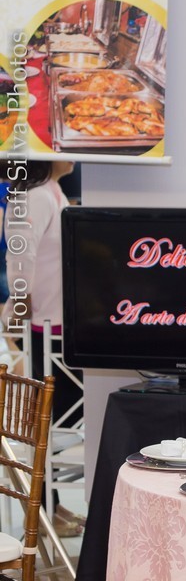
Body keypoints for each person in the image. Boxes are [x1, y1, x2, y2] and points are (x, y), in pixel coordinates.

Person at [2, 158, 86, 537]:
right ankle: (42, 512)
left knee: (55, 422)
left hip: (60, 324)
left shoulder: (52, 191)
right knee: (49, 423)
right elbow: (20, 259)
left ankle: (51, 507)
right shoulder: (34, 196)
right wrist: (19, 317)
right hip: (44, 328)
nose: (72, 156)